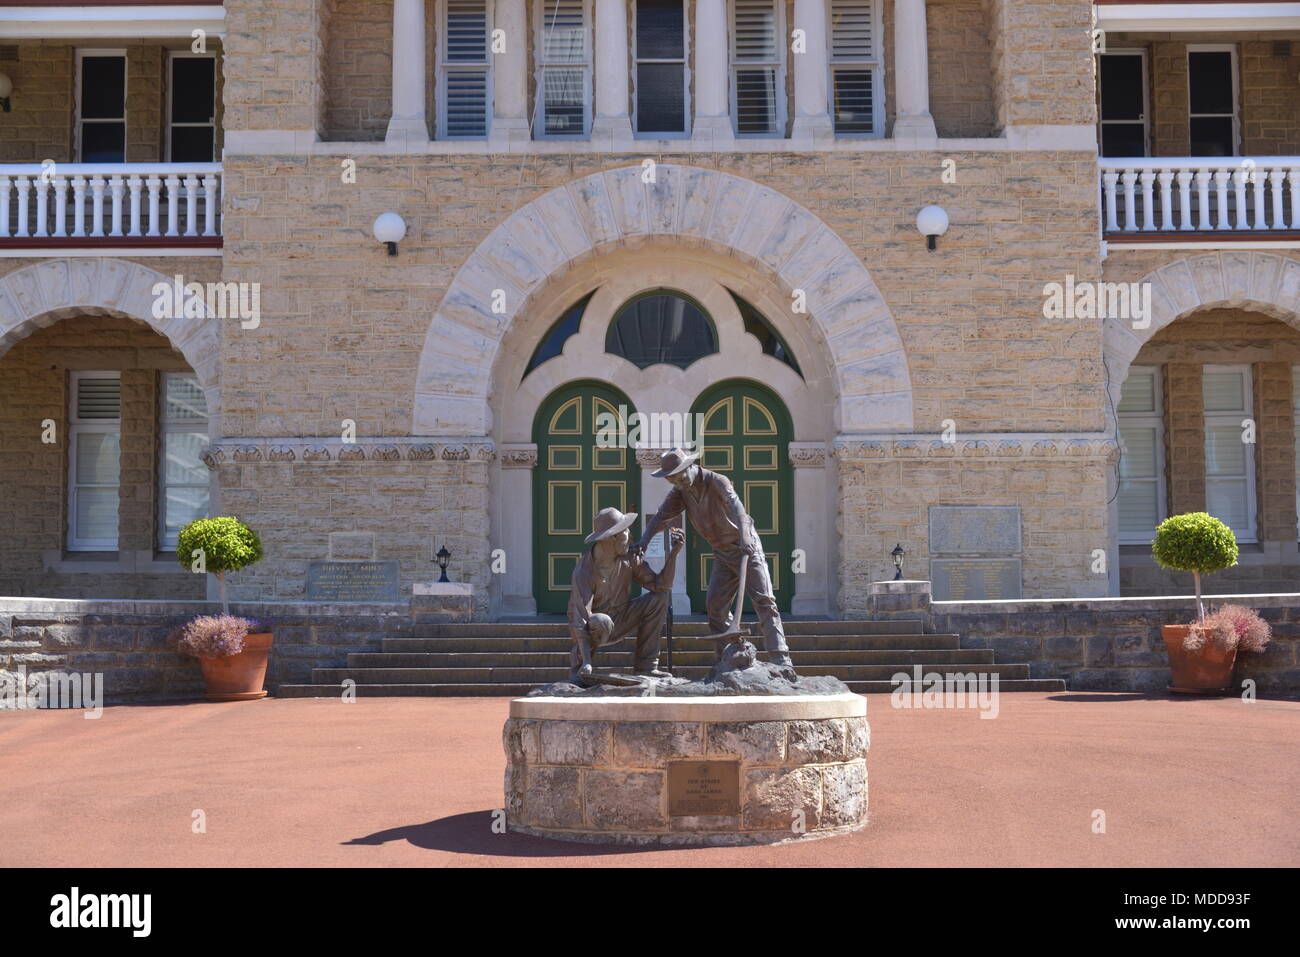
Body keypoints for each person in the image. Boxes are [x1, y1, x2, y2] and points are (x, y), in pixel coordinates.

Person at [633, 449, 793, 667]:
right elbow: (661, 517)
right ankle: (729, 654)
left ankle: (781, 658)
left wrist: (746, 536)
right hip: (722, 553)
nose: (679, 483)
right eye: (672, 480)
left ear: (691, 467)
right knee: (715, 607)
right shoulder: (681, 491)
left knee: (764, 600)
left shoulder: (717, 481)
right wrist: (643, 542)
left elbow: (738, 508)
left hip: (746, 548)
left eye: (680, 477)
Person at [567, 506, 683, 681]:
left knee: (660, 598)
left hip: (622, 617)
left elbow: (661, 586)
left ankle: (646, 666)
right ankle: (579, 668)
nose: (630, 536)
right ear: (614, 537)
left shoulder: (629, 558)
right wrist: (586, 663)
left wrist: (673, 554)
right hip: (595, 628)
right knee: (599, 620)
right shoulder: (584, 571)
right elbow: (580, 619)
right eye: (626, 531)